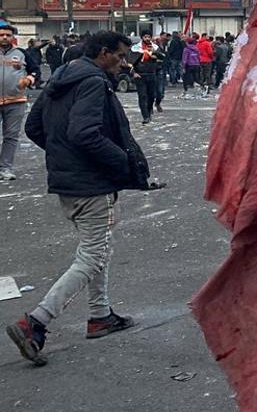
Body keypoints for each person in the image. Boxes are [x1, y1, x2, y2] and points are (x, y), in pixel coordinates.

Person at [8, 31, 154, 366]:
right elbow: (85, 133)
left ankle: (100, 315)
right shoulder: (92, 81)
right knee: (91, 256)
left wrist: (64, 159)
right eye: (119, 56)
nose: (123, 63)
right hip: (92, 185)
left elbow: (34, 127)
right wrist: (123, 161)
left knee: (98, 248)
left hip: (70, 183)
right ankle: (35, 322)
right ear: (104, 53)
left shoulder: (62, 77)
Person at [0, 25, 35, 181]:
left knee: (11, 136)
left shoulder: (22, 54)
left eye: (8, 35)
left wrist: (28, 79)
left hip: (16, 101)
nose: (4, 38)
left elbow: (35, 71)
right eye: (1, 35)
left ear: (13, 36)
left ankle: (5, 168)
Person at [130, 32, 165, 123]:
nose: (147, 38)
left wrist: (154, 52)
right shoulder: (136, 49)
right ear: (142, 38)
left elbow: (163, 58)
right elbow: (130, 62)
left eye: (149, 36)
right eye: (145, 37)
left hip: (152, 75)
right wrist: (133, 73)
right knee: (142, 96)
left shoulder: (155, 48)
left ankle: (149, 112)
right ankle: (145, 116)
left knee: (151, 96)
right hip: (140, 75)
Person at [181, 34, 201, 98]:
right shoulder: (196, 48)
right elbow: (198, 57)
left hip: (189, 65)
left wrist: (183, 66)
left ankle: (187, 90)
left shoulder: (186, 49)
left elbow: (184, 58)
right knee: (196, 77)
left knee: (187, 78)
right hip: (196, 64)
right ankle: (201, 87)